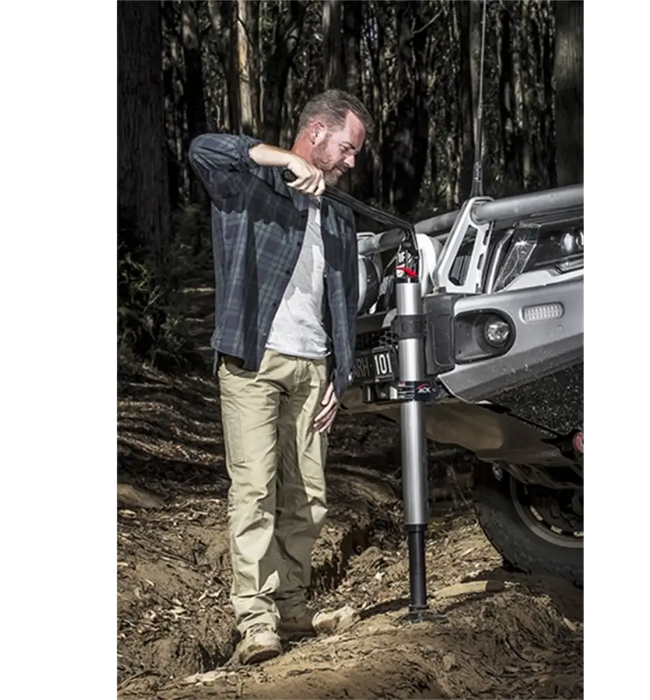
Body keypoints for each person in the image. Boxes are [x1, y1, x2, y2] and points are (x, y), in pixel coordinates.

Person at [188, 90, 374, 665]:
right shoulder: (248, 186)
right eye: (346, 147)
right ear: (315, 133)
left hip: (312, 366)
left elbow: (340, 302)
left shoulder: (337, 213)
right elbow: (203, 149)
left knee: (310, 499)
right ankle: (255, 622)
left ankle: (292, 610)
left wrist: (339, 378)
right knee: (254, 493)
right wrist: (282, 159)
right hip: (253, 361)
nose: (350, 161)